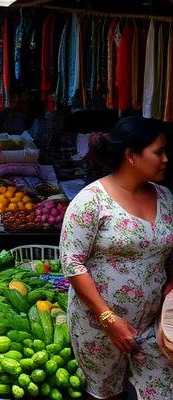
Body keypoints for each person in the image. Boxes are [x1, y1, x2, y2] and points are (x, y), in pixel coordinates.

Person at [59, 116, 173, 400]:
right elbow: (72, 263)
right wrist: (109, 319)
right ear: (131, 156)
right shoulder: (91, 200)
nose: (166, 159)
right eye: (158, 152)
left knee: (160, 392)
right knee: (106, 394)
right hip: (98, 324)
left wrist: (169, 295)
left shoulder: (166, 197)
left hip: (154, 324)